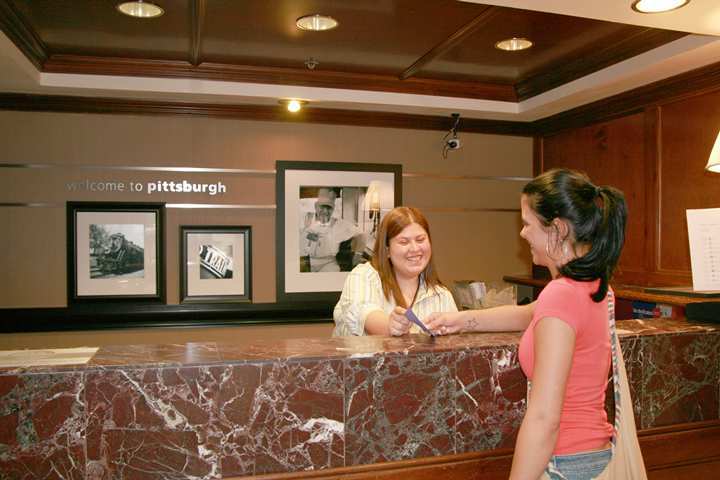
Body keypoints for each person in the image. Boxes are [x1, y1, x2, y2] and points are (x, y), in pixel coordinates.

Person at [425, 168, 627, 480]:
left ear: (557, 228)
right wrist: (461, 319)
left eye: (527, 224)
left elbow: (545, 418)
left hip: (565, 463)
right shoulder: (596, 286)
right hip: (596, 455)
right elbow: (531, 313)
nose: (522, 234)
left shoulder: (561, 295)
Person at [333, 206, 457, 336]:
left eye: (420, 240)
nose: (415, 249)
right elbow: (363, 313)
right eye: (404, 242)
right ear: (387, 250)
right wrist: (390, 325)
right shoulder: (364, 276)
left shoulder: (442, 296)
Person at [299, 187, 364, 272]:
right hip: (307, 263)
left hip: (329, 265)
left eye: (329, 208)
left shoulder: (339, 224)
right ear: (316, 206)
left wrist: (358, 255)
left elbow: (362, 235)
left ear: (333, 209)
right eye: (322, 207)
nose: (325, 211)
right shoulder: (306, 219)